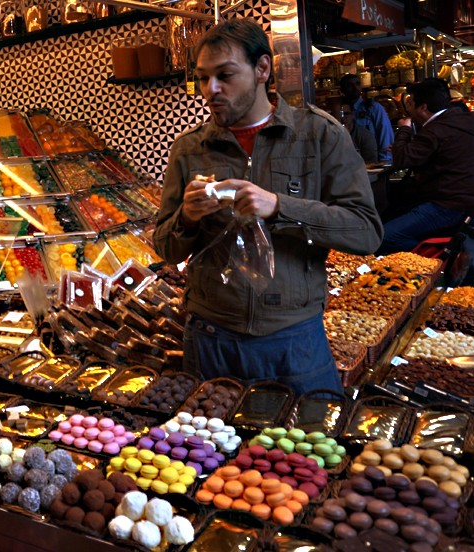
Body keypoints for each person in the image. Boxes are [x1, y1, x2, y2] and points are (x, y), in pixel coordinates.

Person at [152, 18, 383, 396]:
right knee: (207, 450)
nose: (211, 90)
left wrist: (280, 206)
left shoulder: (318, 134)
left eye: (225, 75)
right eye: (202, 77)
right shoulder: (189, 148)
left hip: (292, 337)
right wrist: (187, 218)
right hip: (210, 337)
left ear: (262, 69)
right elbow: (165, 246)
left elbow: (366, 231)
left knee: (309, 447)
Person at [378, 78, 474, 255]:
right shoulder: (465, 119)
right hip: (465, 201)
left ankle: (440, 258)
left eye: (411, 104)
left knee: (383, 237)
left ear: (422, 107)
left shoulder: (434, 130)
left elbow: (401, 160)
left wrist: (404, 129)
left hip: (448, 205)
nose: (410, 110)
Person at [340, 73, 394, 164]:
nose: (355, 87)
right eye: (350, 85)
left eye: (357, 84)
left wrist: (385, 161)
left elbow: (384, 134)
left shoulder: (372, 107)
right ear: (342, 90)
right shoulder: (340, 110)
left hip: (372, 161)